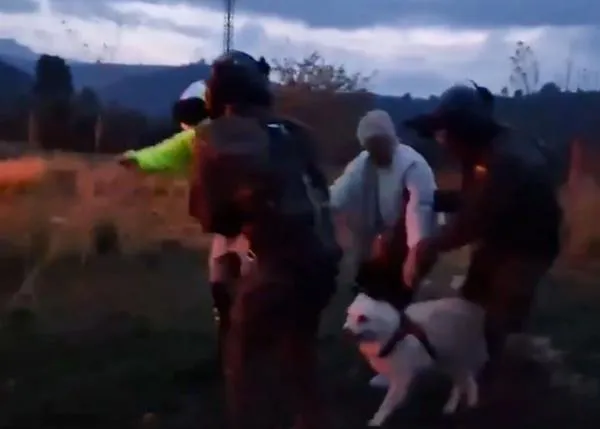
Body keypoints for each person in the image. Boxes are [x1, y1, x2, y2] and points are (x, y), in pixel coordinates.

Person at [189, 50, 340, 429]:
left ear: (216, 94)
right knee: (300, 348)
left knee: (244, 359)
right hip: (323, 261)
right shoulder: (296, 130)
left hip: (281, 261)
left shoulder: (216, 136)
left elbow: (213, 218)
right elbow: (317, 187)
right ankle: (311, 419)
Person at [402, 81, 563, 371]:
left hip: (528, 246)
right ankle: (480, 368)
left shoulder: (506, 158)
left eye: (445, 132)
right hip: (500, 239)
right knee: (471, 303)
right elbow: (473, 199)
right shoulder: (481, 153)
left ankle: (507, 387)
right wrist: (431, 199)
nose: (442, 141)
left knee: (501, 315)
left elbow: (477, 216)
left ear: (465, 128)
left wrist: (431, 245)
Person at [117, 87, 248, 367]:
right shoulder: (248, 131)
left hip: (243, 227)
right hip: (236, 225)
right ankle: (233, 352)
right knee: (229, 287)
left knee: (230, 289)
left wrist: (134, 158)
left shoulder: (202, 136)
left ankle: (237, 354)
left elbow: (162, 153)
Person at [329, 109, 438, 388]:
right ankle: (375, 358)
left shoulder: (414, 166)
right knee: (370, 301)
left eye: (381, 145)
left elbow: (419, 212)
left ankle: (401, 366)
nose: (376, 152)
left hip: (412, 243)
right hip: (378, 244)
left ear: (392, 139)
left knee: (396, 304)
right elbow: (339, 193)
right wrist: (316, 208)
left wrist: (414, 255)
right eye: (370, 147)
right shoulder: (362, 164)